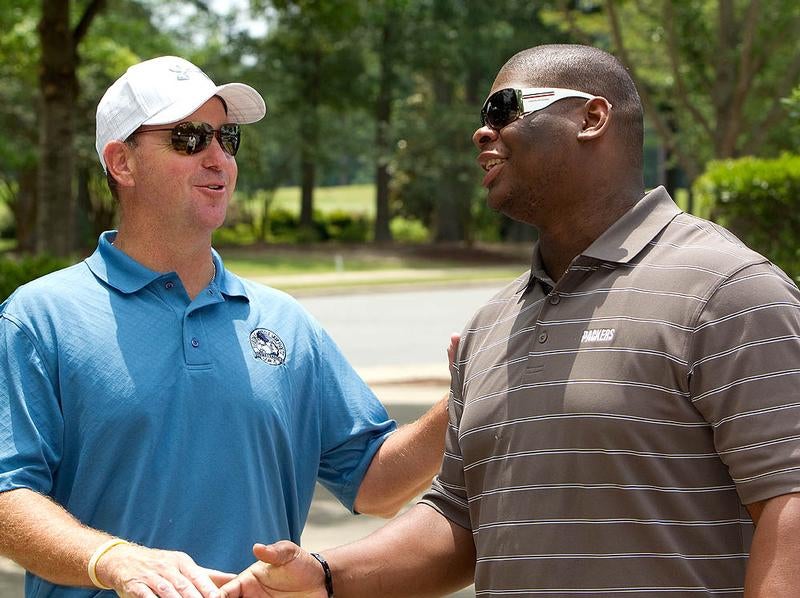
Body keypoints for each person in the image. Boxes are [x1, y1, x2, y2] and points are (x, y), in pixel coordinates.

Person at [219, 44, 800, 597]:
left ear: (591, 118)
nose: (481, 130)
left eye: (504, 108)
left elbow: (789, 506)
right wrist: (326, 577)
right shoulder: (491, 324)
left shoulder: (729, 291)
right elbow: (461, 517)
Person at [0, 55, 450, 598]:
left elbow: (374, 485)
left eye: (227, 137)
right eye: (189, 138)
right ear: (122, 162)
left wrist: (467, 397)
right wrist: (112, 560)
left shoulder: (285, 321)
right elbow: (9, 497)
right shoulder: (39, 318)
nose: (218, 158)